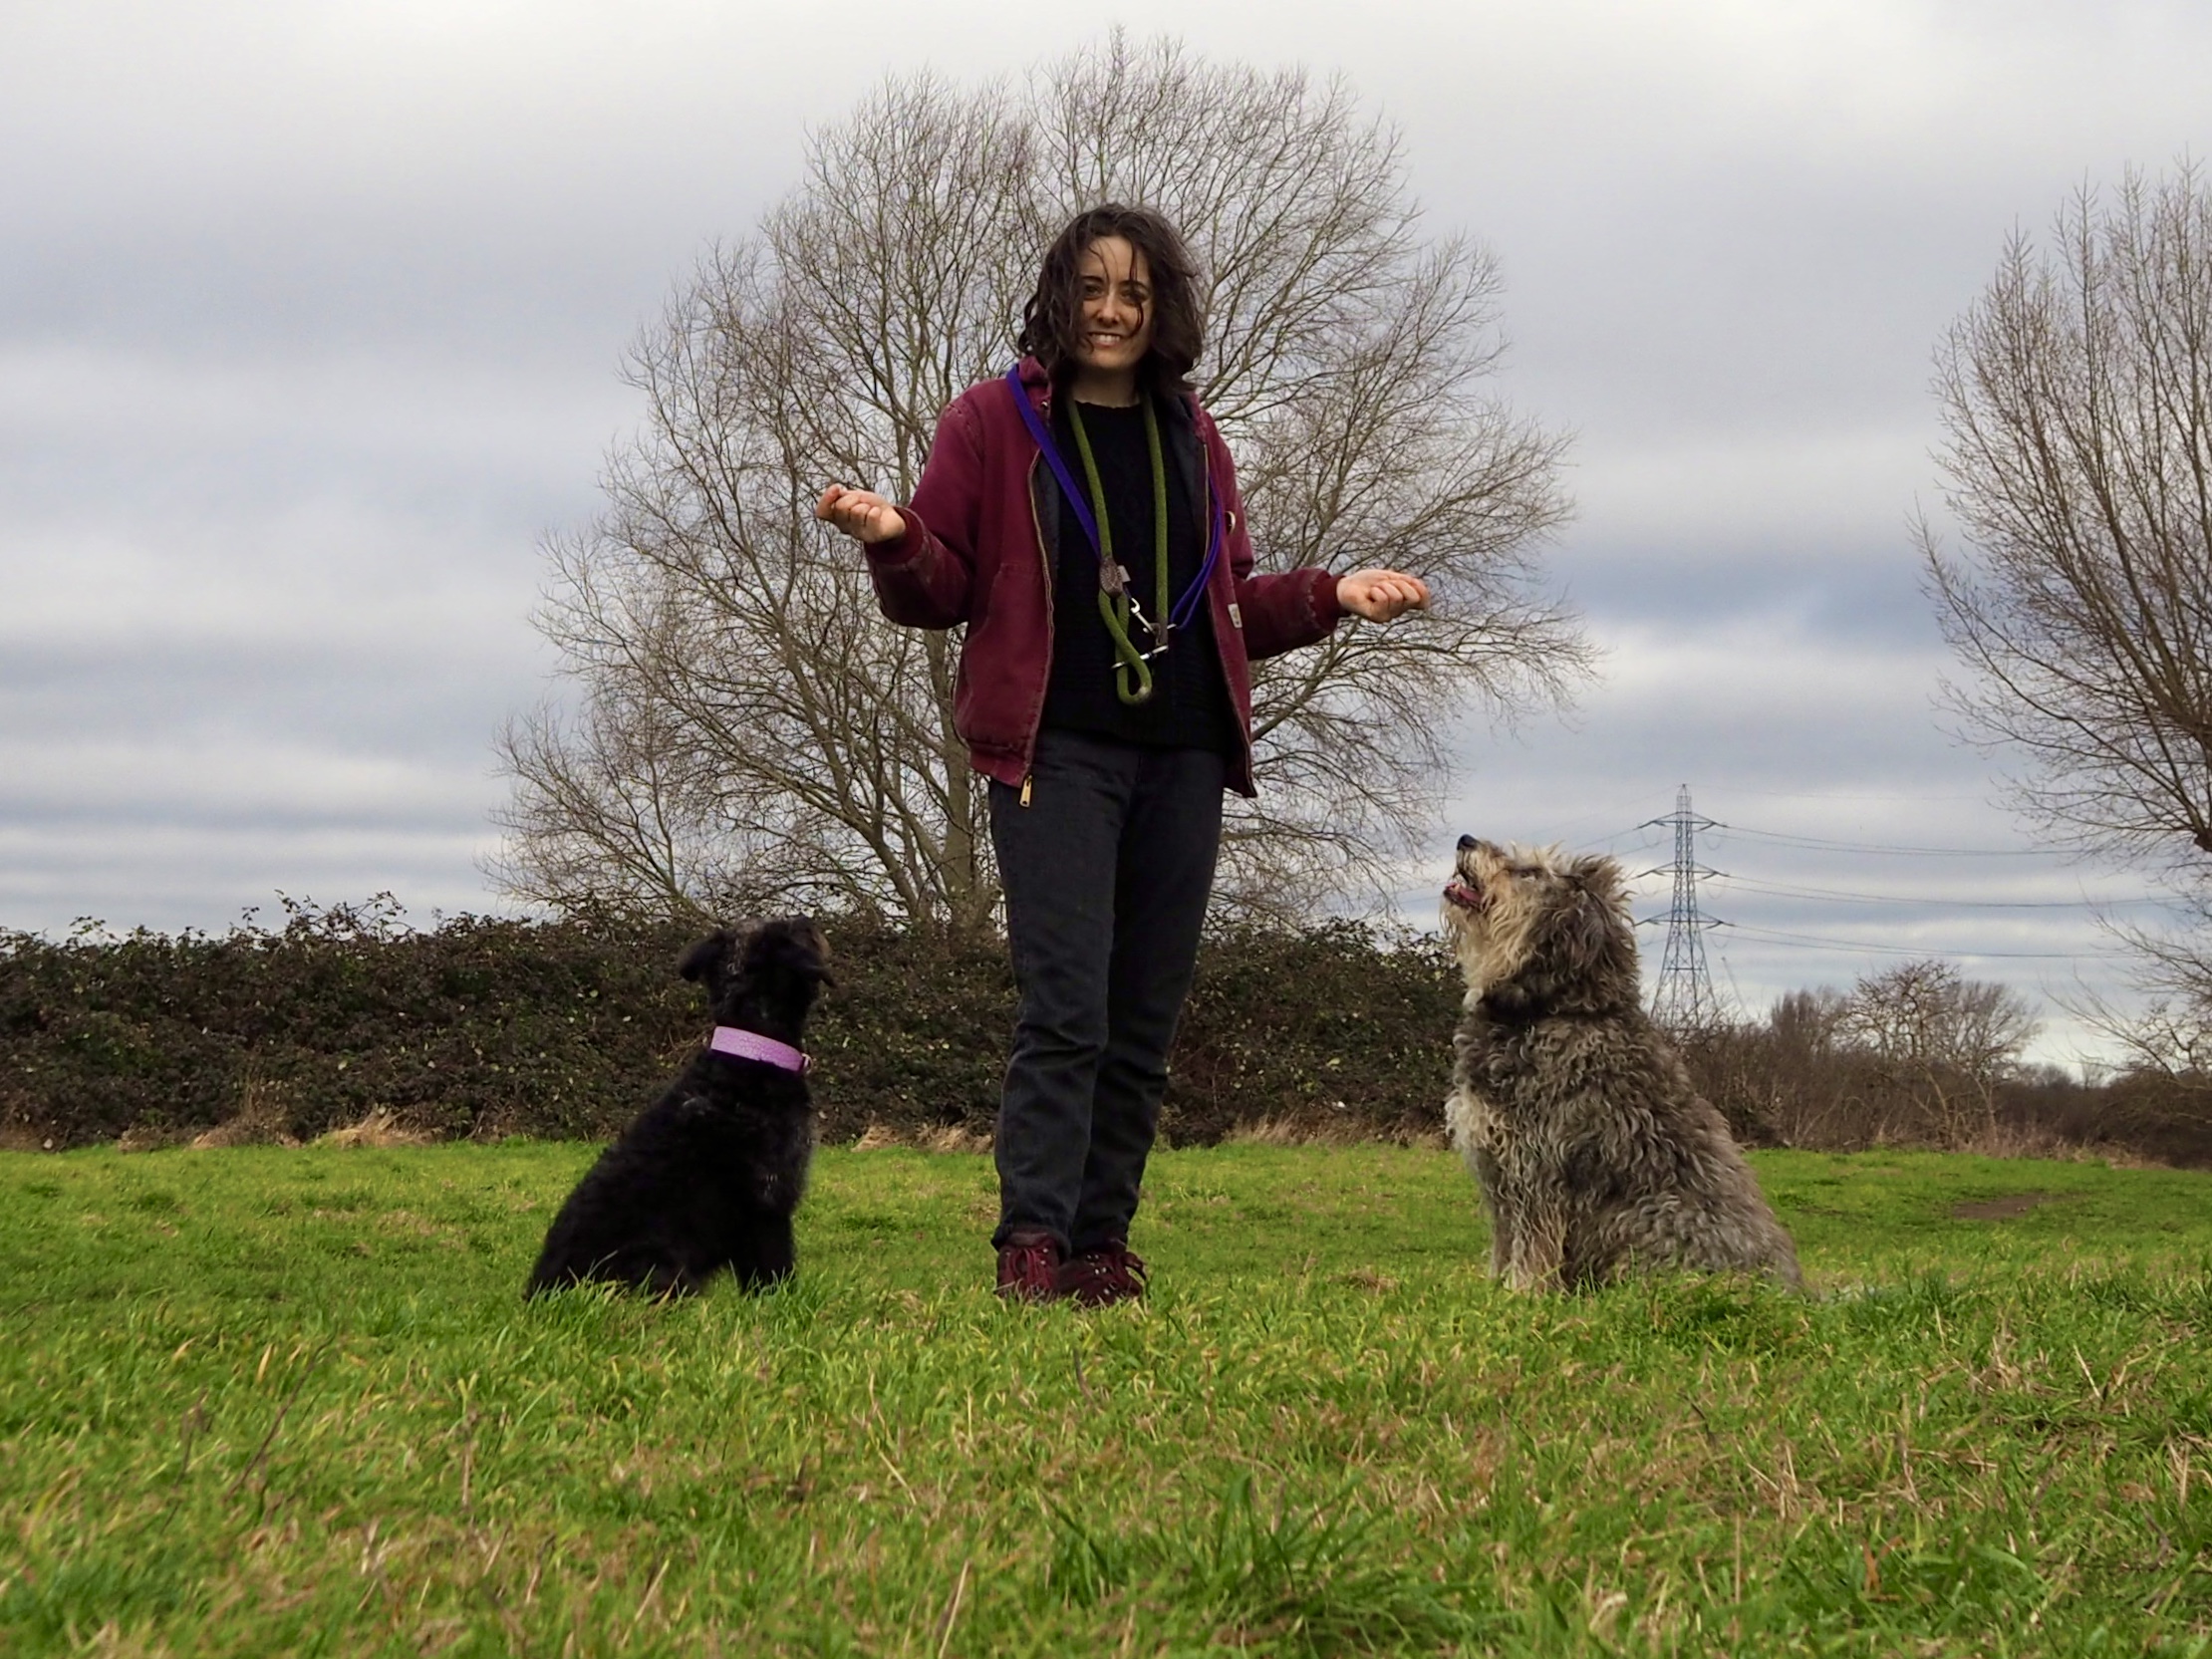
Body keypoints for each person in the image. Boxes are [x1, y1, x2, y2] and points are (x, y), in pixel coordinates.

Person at [816, 204, 1429, 1305]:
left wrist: (1332, 594)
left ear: (1163, 313)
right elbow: (945, 585)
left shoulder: (1195, 437)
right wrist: (898, 540)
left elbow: (1228, 601)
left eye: (1134, 294)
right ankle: (1033, 1245)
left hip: (1183, 754)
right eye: (1093, 288)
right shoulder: (991, 422)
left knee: (1144, 1018)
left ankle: (1102, 1247)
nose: (1111, 310)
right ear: (1061, 296)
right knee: (1068, 1009)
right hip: (1054, 750)